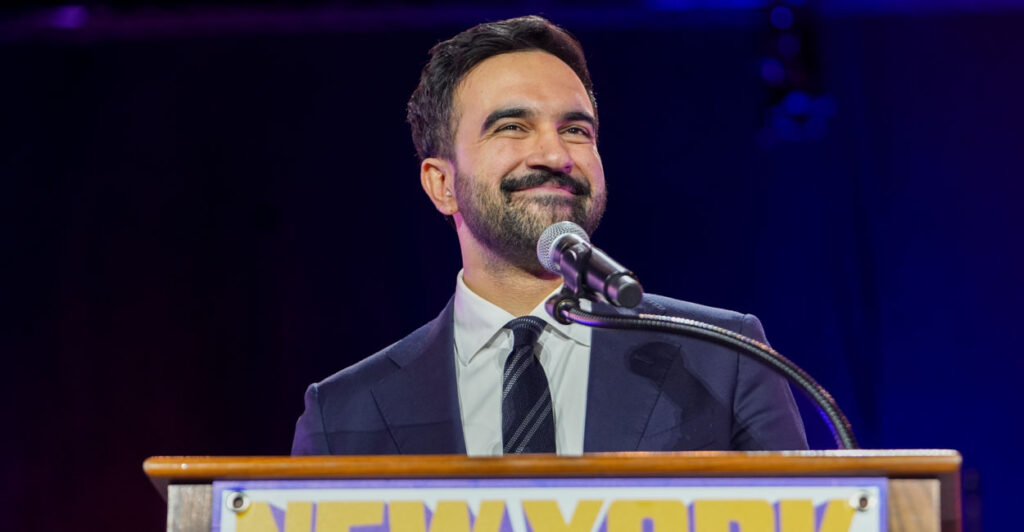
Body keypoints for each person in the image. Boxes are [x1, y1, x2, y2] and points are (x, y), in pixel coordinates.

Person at [292, 16, 807, 456]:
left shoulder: (724, 358)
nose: (556, 155)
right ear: (442, 184)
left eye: (576, 130)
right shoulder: (343, 413)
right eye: (512, 127)